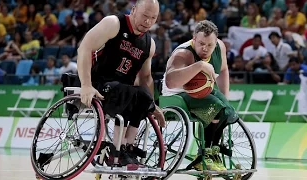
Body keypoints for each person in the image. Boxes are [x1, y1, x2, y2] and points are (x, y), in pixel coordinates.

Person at [77, 0, 165, 169]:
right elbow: (84, 48)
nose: (148, 22)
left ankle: (127, 149)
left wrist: (151, 104)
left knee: (142, 97)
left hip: (123, 91)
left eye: (153, 18)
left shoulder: (149, 44)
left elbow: (146, 77)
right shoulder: (114, 23)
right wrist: (86, 84)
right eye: (145, 16)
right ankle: (117, 150)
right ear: (133, 10)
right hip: (99, 84)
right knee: (129, 92)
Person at [162, 20, 239, 171]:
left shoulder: (220, 48)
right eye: (201, 43)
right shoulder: (183, 53)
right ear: (194, 38)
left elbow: (223, 70)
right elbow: (170, 82)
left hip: (203, 90)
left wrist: (225, 97)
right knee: (214, 106)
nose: (205, 48)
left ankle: (213, 152)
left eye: (210, 45)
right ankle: (203, 155)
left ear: (216, 42)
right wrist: (199, 65)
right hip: (177, 93)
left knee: (226, 110)